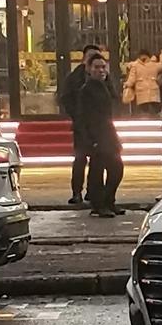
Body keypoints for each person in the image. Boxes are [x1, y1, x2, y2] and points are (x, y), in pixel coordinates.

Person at [77, 49, 124, 218]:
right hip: (96, 135)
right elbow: (83, 116)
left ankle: (109, 200)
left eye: (103, 67)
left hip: (108, 132)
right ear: (89, 68)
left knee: (116, 168)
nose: (101, 70)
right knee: (97, 171)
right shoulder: (86, 89)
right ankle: (99, 204)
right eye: (97, 67)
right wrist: (89, 139)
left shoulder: (106, 86)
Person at [60, 43, 102, 209]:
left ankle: (93, 191)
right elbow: (66, 97)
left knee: (98, 160)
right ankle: (76, 192)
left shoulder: (102, 76)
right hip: (81, 125)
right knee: (80, 158)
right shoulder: (75, 77)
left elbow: (112, 96)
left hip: (99, 126)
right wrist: (76, 115)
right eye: (91, 56)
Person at [122, 49, 162, 117]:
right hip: (148, 90)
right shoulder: (152, 65)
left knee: (149, 109)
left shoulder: (136, 65)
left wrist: (127, 84)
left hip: (145, 90)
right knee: (152, 109)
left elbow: (132, 78)